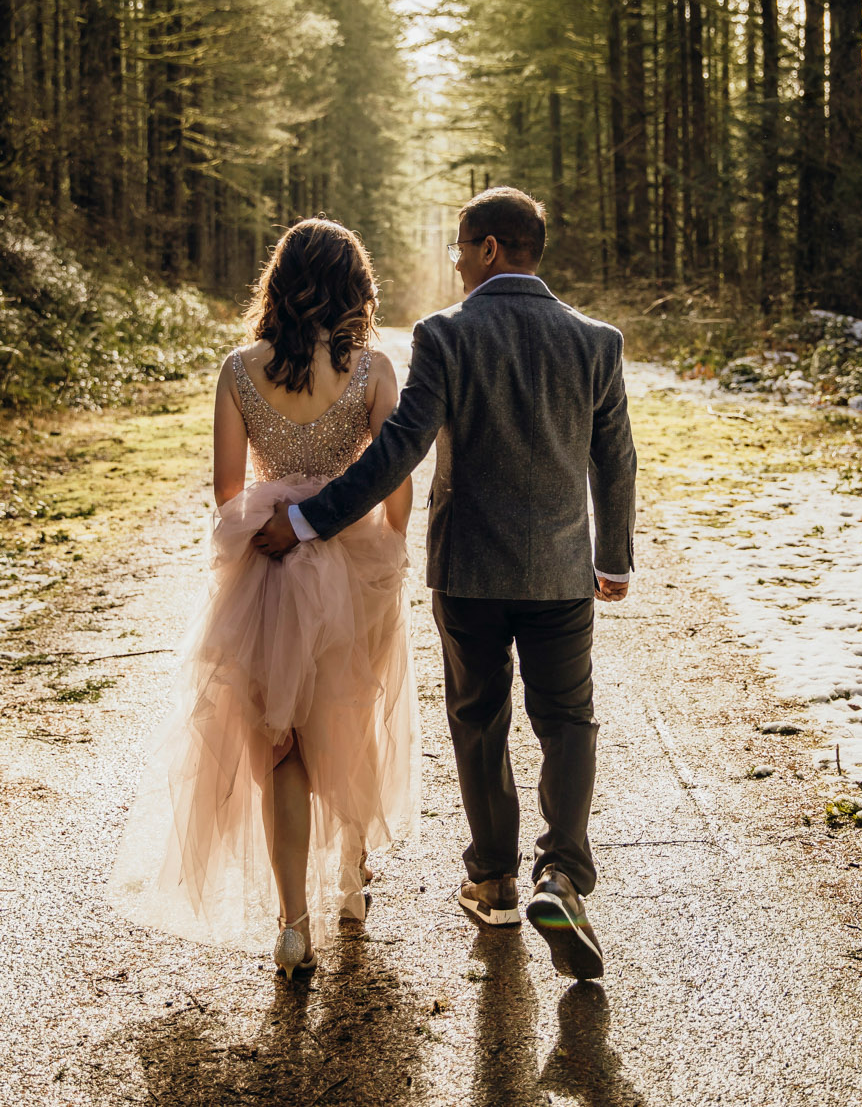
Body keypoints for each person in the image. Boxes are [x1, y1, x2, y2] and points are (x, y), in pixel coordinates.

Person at [251, 186, 638, 982]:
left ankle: (494, 877)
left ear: (490, 248)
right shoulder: (598, 342)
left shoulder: (447, 335)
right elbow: (616, 456)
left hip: (468, 571)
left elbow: (398, 451)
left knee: (480, 716)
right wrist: (614, 558)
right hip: (562, 571)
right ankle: (561, 872)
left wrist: (304, 521)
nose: (456, 262)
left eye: (461, 248)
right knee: (568, 719)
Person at [111, 218, 417, 980]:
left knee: (279, 740)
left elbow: (224, 490)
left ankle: (292, 924)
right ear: (355, 286)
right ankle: (352, 877)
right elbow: (396, 488)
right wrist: (379, 550)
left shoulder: (239, 369)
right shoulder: (373, 369)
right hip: (352, 558)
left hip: (268, 565)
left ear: (279, 282)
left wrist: (272, 516)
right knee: (352, 713)